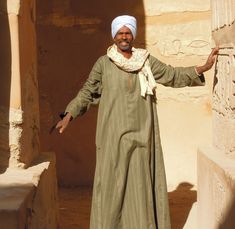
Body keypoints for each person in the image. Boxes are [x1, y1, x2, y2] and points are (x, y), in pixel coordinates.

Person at [56, 15, 219, 229]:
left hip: (143, 134)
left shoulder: (145, 61)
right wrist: (69, 114)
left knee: (140, 185)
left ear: (133, 34)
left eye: (128, 32)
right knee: (113, 184)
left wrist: (201, 68)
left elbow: (171, 74)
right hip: (112, 136)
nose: (124, 36)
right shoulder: (103, 64)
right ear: (114, 36)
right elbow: (88, 91)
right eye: (120, 33)